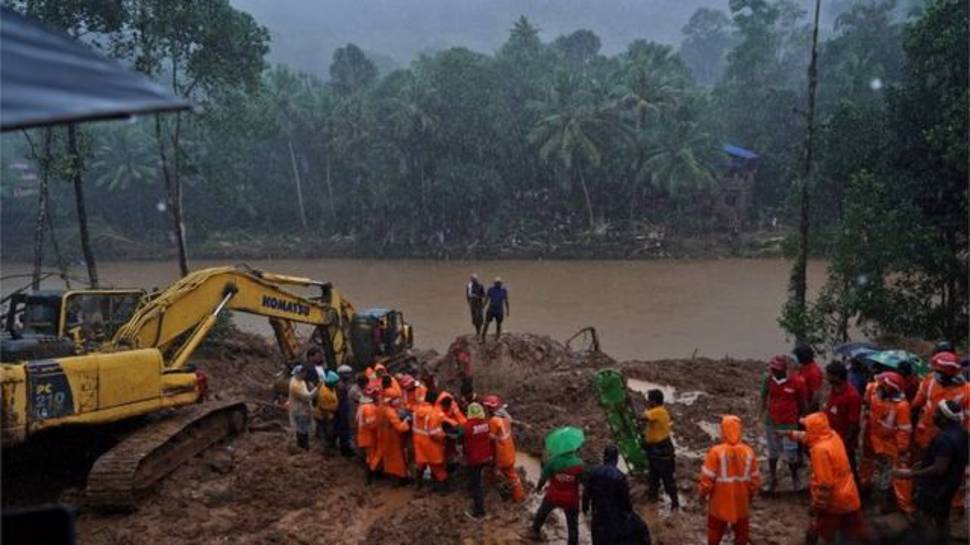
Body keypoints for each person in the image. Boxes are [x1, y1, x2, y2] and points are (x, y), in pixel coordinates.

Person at [786, 412, 870, 545]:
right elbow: (813, 436)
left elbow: (825, 484)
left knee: (818, 532)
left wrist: (817, 506)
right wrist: (793, 435)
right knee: (859, 531)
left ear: (813, 429)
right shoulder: (833, 436)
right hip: (850, 494)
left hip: (834, 501)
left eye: (807, 427)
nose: (805, 430)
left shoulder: (819, 451)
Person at [894, 399, 969, 544]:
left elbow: (939, 469)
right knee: (943, 518)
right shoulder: (963, 434)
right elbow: (954, 458)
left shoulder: (944, 439)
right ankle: (943, 540)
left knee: (925, 519)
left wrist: (910, 474)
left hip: (935, 489)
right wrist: (923, 463)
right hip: (951, 484)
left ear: (944, 418)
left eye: (937, 413)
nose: (933, 415)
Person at [698, 415, 760, 545]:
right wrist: (751, 495)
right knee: (742, 533)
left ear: (723, 430)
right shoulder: (749, 452)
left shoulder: (715, 452)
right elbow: (754, 480)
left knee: (714, 532)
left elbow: (707, 480)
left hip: (719, 503)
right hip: (741, 501)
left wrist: (702, 495)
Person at [859, 372, 913, 514]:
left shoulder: (901, 406)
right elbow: (871, 414)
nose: (878, 388)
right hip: (872, 440)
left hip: (889, 447)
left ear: (889, 389)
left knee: (887, 476)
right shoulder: (876, 398)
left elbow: (904, 430)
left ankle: (885, 505)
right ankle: (865, 489)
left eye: (882, 386)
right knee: (867, 466)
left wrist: (902, 448)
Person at [584, 445, 651, 545]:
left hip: (598, 514)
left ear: (604, 457)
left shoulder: (593, 472)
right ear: (616, 459)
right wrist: (629, 514)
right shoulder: (619, 476)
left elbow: (586, 493)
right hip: (614, 517)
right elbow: (625, 500)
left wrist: (585, 507)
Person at [759, 354, 807, 493]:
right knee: (772, 453)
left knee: (791, 453)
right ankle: (773, 478)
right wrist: (760, 416)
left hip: (789, 423)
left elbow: (802, 403)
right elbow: (763, 398)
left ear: (784, 369)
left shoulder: (798, 382)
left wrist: (802, 419)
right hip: (772, 422)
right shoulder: (768, 380)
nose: (773, 372)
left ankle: (795, 478)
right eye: (772, 369)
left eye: (776, 369)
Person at [911, 351, 970, 455]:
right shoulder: (930, 380)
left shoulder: (966, 390)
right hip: (924, 435)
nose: (935, 374)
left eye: (938, 371)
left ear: (949, 373)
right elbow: (916, 404)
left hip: (947, 442)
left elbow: (968, 422)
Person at [530, 445, 585, 545]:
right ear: (574, 450)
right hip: (571, 498)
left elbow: (543, 478)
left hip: (553, 495)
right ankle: (572, 542)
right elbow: (584, 482)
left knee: (542, 512)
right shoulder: (579, 464)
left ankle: (535, 531)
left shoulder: (553, 461)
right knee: (573, 525)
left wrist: (538, 488)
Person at [483, 394, 525, 503]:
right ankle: (520, 497)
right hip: (510, 451)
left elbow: (491, 439)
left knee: (489, 470)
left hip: (502, 455)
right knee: (513, 476)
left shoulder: (493, 421)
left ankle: (489, 491)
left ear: (489, 408)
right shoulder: (505, 418)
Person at [641, 389, 679, 508]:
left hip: (662, 451)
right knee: (653, 477)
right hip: (655, 450)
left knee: (667, 479)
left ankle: (675, 503)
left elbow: (643, 417)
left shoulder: (658, 411)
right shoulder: (658, 411)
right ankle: (653, 500)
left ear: (653, 401)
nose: (647, 402)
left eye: (649, 400)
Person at [824, 361, 862, 477]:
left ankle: (856, 492)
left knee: (849, 470)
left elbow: (853, 424)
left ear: (837, 376)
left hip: (844, 441)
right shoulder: (834, 390)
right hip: (832, 438)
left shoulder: (852, 396)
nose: (826, 377)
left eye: (829, 375)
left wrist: (844, 444)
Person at [462, 402, 493, 519]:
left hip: (474, 459)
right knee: (478, 480)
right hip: (485, 457)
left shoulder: (467, 426)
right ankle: (478, 501)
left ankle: (479, 512)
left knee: (476, 485)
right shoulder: (486, 424)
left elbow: (461, 436)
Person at [413, 390, 448, 485]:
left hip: (418, 443)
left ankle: (418, 484)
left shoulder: (416, 410)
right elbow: (434, 433)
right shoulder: (433, 414)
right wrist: (444, 437)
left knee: (420, 464)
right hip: (431, 445)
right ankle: (442, 487)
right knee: (437, 467)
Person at [378, 396, 411, 485]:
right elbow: (400, 428)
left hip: (385, 437)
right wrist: (406, 421)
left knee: (390, 459)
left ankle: (394, 477)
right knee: (397, 459)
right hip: (393, 438)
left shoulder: (381, 408)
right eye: (396, 399)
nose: (398, 401)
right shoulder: (390, 412)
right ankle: (399, 479)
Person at [288, 365, 319, 450]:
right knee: (302, 428)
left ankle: (303, 445)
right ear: (299, 373)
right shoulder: (295, 385)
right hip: (299, 410)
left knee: (303, 427)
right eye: (304, 373)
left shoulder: (299, 380)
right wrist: (317, 389)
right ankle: (303, 446)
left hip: (303, 408)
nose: (305, 375)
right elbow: (307, 397)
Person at [356, 386, 382, 484]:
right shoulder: (369, 408)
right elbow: (371, 424)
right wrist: (381, 423)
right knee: (371, 457)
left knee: (369, 457)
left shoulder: (362, 406)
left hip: (363, 436)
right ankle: (369, 478)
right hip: (369, 437)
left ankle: (370, 476)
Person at [313, 370, 340, 447]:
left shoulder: (328, 386)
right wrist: (333, 410)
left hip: (329, 414)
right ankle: (324, 449)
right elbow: (323, 407)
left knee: (328, 432)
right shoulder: (324, 392)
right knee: (326, 433)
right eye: (335, 383)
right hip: (324, 415)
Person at [794, 344, 824, 412]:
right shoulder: (804, 368)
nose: (797, 358)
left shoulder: (813, 372)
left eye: (798, 356)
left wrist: (807, 411)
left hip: (808, 410)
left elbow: (816, 396)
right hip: (800, 407)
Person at [333, 367, 355, 457]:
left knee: (345, 429)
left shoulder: (344, 385)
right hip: (341, 409)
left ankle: (345, 447)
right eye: (346, 373)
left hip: (345, 408)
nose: (348, 376)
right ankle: (344, 449)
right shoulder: (340, 386)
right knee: (343, 429)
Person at [481, 277, 509, 342]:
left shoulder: (503, 290)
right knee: (486, 323)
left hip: (499, 310)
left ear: (501, 284)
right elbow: (486, 299)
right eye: (497, 283)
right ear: (494, 283)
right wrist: (482, 307)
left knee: (499, 324)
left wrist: (507, 310)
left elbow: (506, 301)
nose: (498, 284)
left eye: (499, 283)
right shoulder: (490, 289)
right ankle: (483, 337)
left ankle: (497, 338)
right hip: (491, 310)